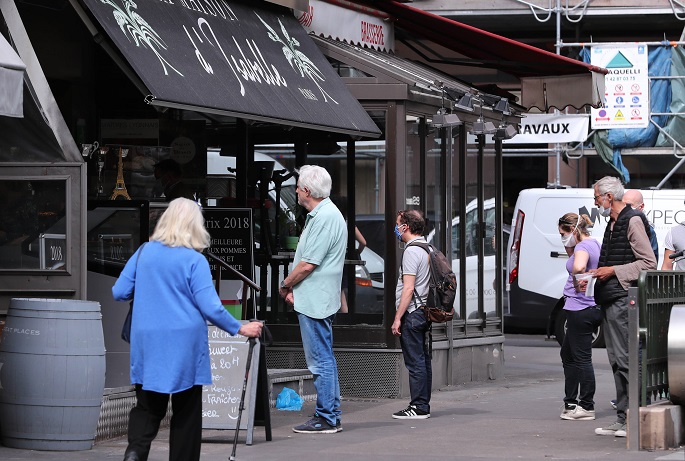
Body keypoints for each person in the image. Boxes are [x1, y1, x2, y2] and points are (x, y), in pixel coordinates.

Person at [112, 198, 263, 461]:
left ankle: (135, 452)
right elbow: (211, 307)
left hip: (147, 341)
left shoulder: (144, 252)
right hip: (184, 342)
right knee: (186, 410)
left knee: (147, 406)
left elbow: (119, 292)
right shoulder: (195, 260)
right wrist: (240, 329)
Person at [278, 165, 347, 434]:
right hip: (317, 298)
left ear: (307, 190)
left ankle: (326, 416)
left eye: (298, 187)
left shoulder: (325, 216)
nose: (295, 190)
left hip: (316, 301)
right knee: (324, 358)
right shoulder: (325, 214)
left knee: (320, 361)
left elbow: (308, 264)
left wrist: (285, 285)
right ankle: (330, 414)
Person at [589, 176, 657, 438]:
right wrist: (598, 274)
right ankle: (623, 418)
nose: (595, 203)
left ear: (608, 197)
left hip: (622, 298)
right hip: (612, 297)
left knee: (625, 359)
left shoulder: (632, 220)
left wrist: (612, 271)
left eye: (596, 198)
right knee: (617, 360)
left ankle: (632, 419)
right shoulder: (613, 222)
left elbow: (648, 263)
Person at [557, 213, 602, 421]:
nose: (562, 238)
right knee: (568, 354)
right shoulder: (592, 243)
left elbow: (578, 267)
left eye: (563, 234)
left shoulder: (583, 247)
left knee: (582, 358)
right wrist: (571, 249)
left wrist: (577, 280)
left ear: (573, 230)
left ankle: (586, 406)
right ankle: (571, 402)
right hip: (585, 307)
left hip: (580, 308)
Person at [391, 209, 432, 420]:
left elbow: (408, 289)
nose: (396, 229)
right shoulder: (427, 247)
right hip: (424, 311)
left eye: (398, 224)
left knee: (415, 362)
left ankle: (418, 406)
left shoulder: (411, 251)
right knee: (423, 360)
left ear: (405, 227)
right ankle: (423, 404)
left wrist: (398, 317)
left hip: (413, 312)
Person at [623, 189, 659, 262]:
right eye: (623, 205)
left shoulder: (648, 230)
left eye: (629, 205)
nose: (625, 208)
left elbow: (652, 261)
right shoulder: (617, 223)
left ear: (641, 207)